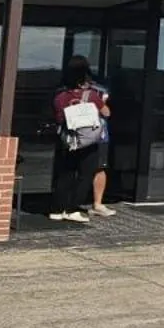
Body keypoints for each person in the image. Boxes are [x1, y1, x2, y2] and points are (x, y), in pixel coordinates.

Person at [49, 56, 114, 222]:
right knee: (85, 174)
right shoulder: (91, 95)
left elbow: (58, 118)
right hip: (87, 141)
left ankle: (56, 209)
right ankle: (72, 209)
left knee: (65, 174)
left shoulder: (60, 96)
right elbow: (106, 112)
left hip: (68, 140)